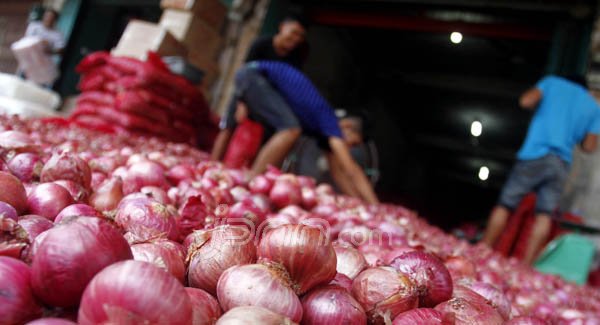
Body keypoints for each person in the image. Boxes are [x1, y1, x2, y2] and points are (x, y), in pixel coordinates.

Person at [482, 75, 600, 264]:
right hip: (561, 162)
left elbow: (526, 101)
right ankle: (527, 265)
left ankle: (484, 248)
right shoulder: (593, 107)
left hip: (535, 153)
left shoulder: (552, 83)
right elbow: (589, 146)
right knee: (544, 214)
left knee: (506, 204)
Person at [234, 61, 379, 204]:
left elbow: (338, 174)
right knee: (291, 129)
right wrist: (375, 204)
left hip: (254, 78)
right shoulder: (330, 122)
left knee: (290, 128)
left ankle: (254, 179)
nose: (350, 148)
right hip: (254, 75)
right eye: (353, 143)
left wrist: (360, 204)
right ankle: (254, 180)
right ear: (346, 126)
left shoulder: (324, 131)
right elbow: (351, 169)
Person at [211, 14, 309, 166]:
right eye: (294, 32)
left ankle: (247, 168)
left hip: (267, 99)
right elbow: (244, 72)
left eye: (300, 36)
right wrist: (241, 103)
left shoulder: (295, 57)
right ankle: (212, 164)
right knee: (229, 126)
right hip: (245, 90)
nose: (296, 38)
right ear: (282, 27)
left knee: (264, 134)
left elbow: (289, 83)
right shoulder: (262, 44)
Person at [20, 8, 65, 85]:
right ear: (44, 16)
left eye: (51, 17)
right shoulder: (34, 26)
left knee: (36, 86)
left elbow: (60, 50)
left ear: (55, 20)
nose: (48, 19)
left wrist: (49, 50)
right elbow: (26, 40)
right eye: (47, 16)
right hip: (29, 61)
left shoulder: (57, 35)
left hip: (42, 65)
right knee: (21, 82)